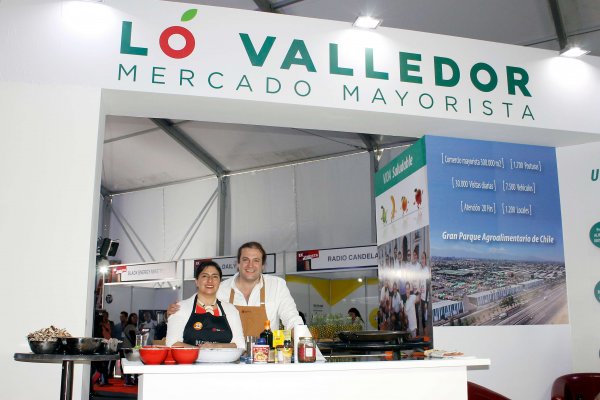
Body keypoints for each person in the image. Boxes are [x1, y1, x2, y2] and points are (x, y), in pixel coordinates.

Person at [168, 242, 304, 338]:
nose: (250, 265)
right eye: (245, 260)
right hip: (227, 359)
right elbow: (194, 312)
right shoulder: (220, 289)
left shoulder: (277, 286)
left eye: (256, 260)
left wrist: (307, 347)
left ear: (263, 266)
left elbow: (292, 320)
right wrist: (173, 314)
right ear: (237, 264)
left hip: (265, 359)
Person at [166, 261, 244, 349]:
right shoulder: (180, 308)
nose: (210, 280)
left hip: (224, 362)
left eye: (215, 276)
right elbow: (171, 343)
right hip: (188, 362)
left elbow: (240, 345)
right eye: (204, 276)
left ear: (219, 282)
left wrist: (216, 346)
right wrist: (200, 351)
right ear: (196, 281)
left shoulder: (231, 310)